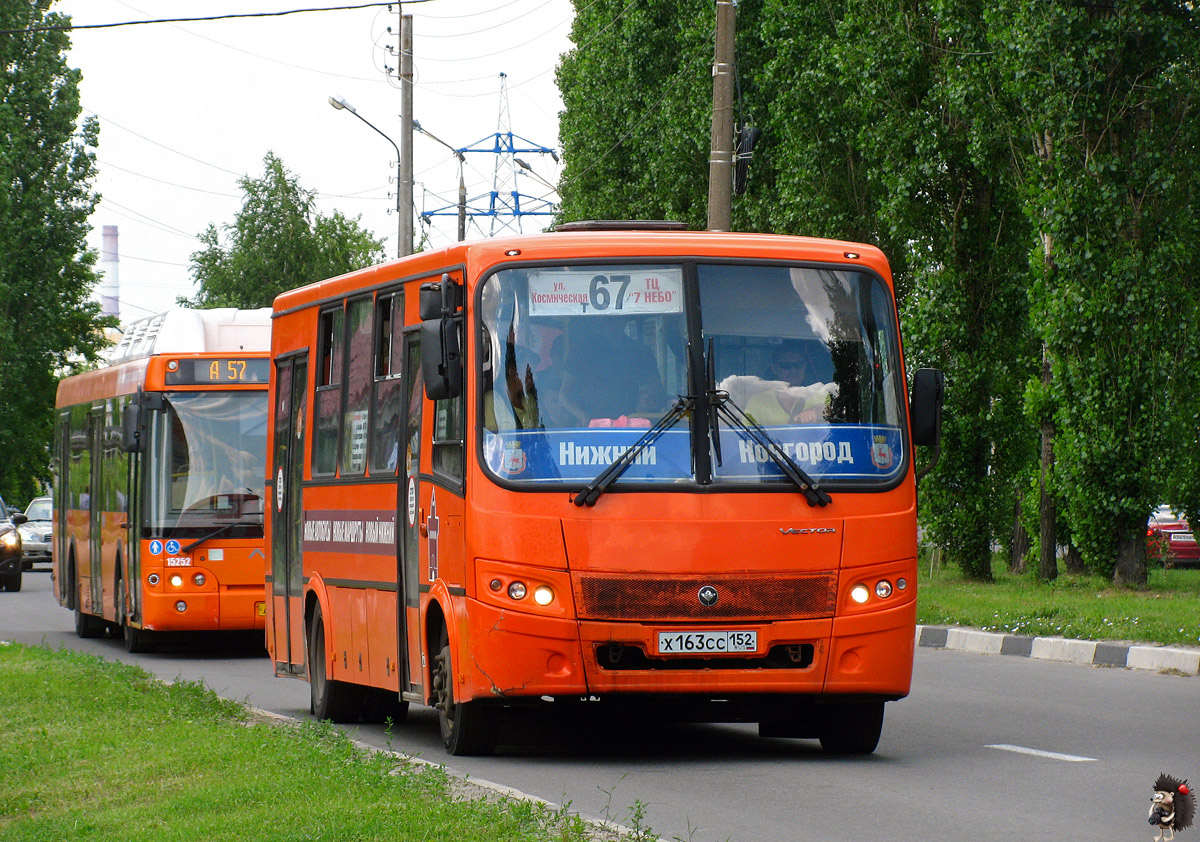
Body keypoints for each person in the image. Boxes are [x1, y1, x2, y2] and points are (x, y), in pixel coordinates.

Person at [745, 344, 836, 425]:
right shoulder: (758, 401)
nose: (793, 370)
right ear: (775, 369)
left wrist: (816, 410)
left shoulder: (820, 393)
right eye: (786, 366)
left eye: (798, 365)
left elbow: (833, 410)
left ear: (804, 366)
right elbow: (745, 436)